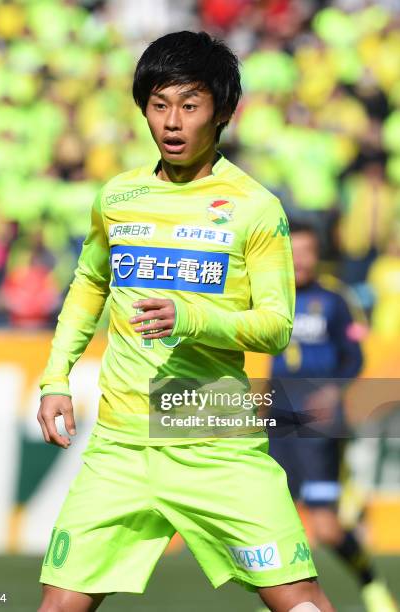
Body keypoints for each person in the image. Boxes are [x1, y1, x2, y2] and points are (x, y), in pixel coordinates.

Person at [37, 31, 334, 612]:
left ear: (222, 112)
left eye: (189, 105)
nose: (172, 122)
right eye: (158, 104)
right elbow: (90, 284)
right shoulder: (117, 197)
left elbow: (275, 326)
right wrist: (55, 378)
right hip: (120, 446)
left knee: (298, 603)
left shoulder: (255, 208)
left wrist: (193, 315)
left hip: (214, 441)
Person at [268, 220, 398, 612]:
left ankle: (371, 584)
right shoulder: (266, 298)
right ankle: (284, 598)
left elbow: (354, 355)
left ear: (317, 255)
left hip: (318, 420)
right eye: (293, 253)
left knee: (325, 526)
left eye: (307, 252)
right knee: (275, 520)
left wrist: (334, 388)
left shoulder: (334, 299)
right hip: (276, 416)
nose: (300, 261)